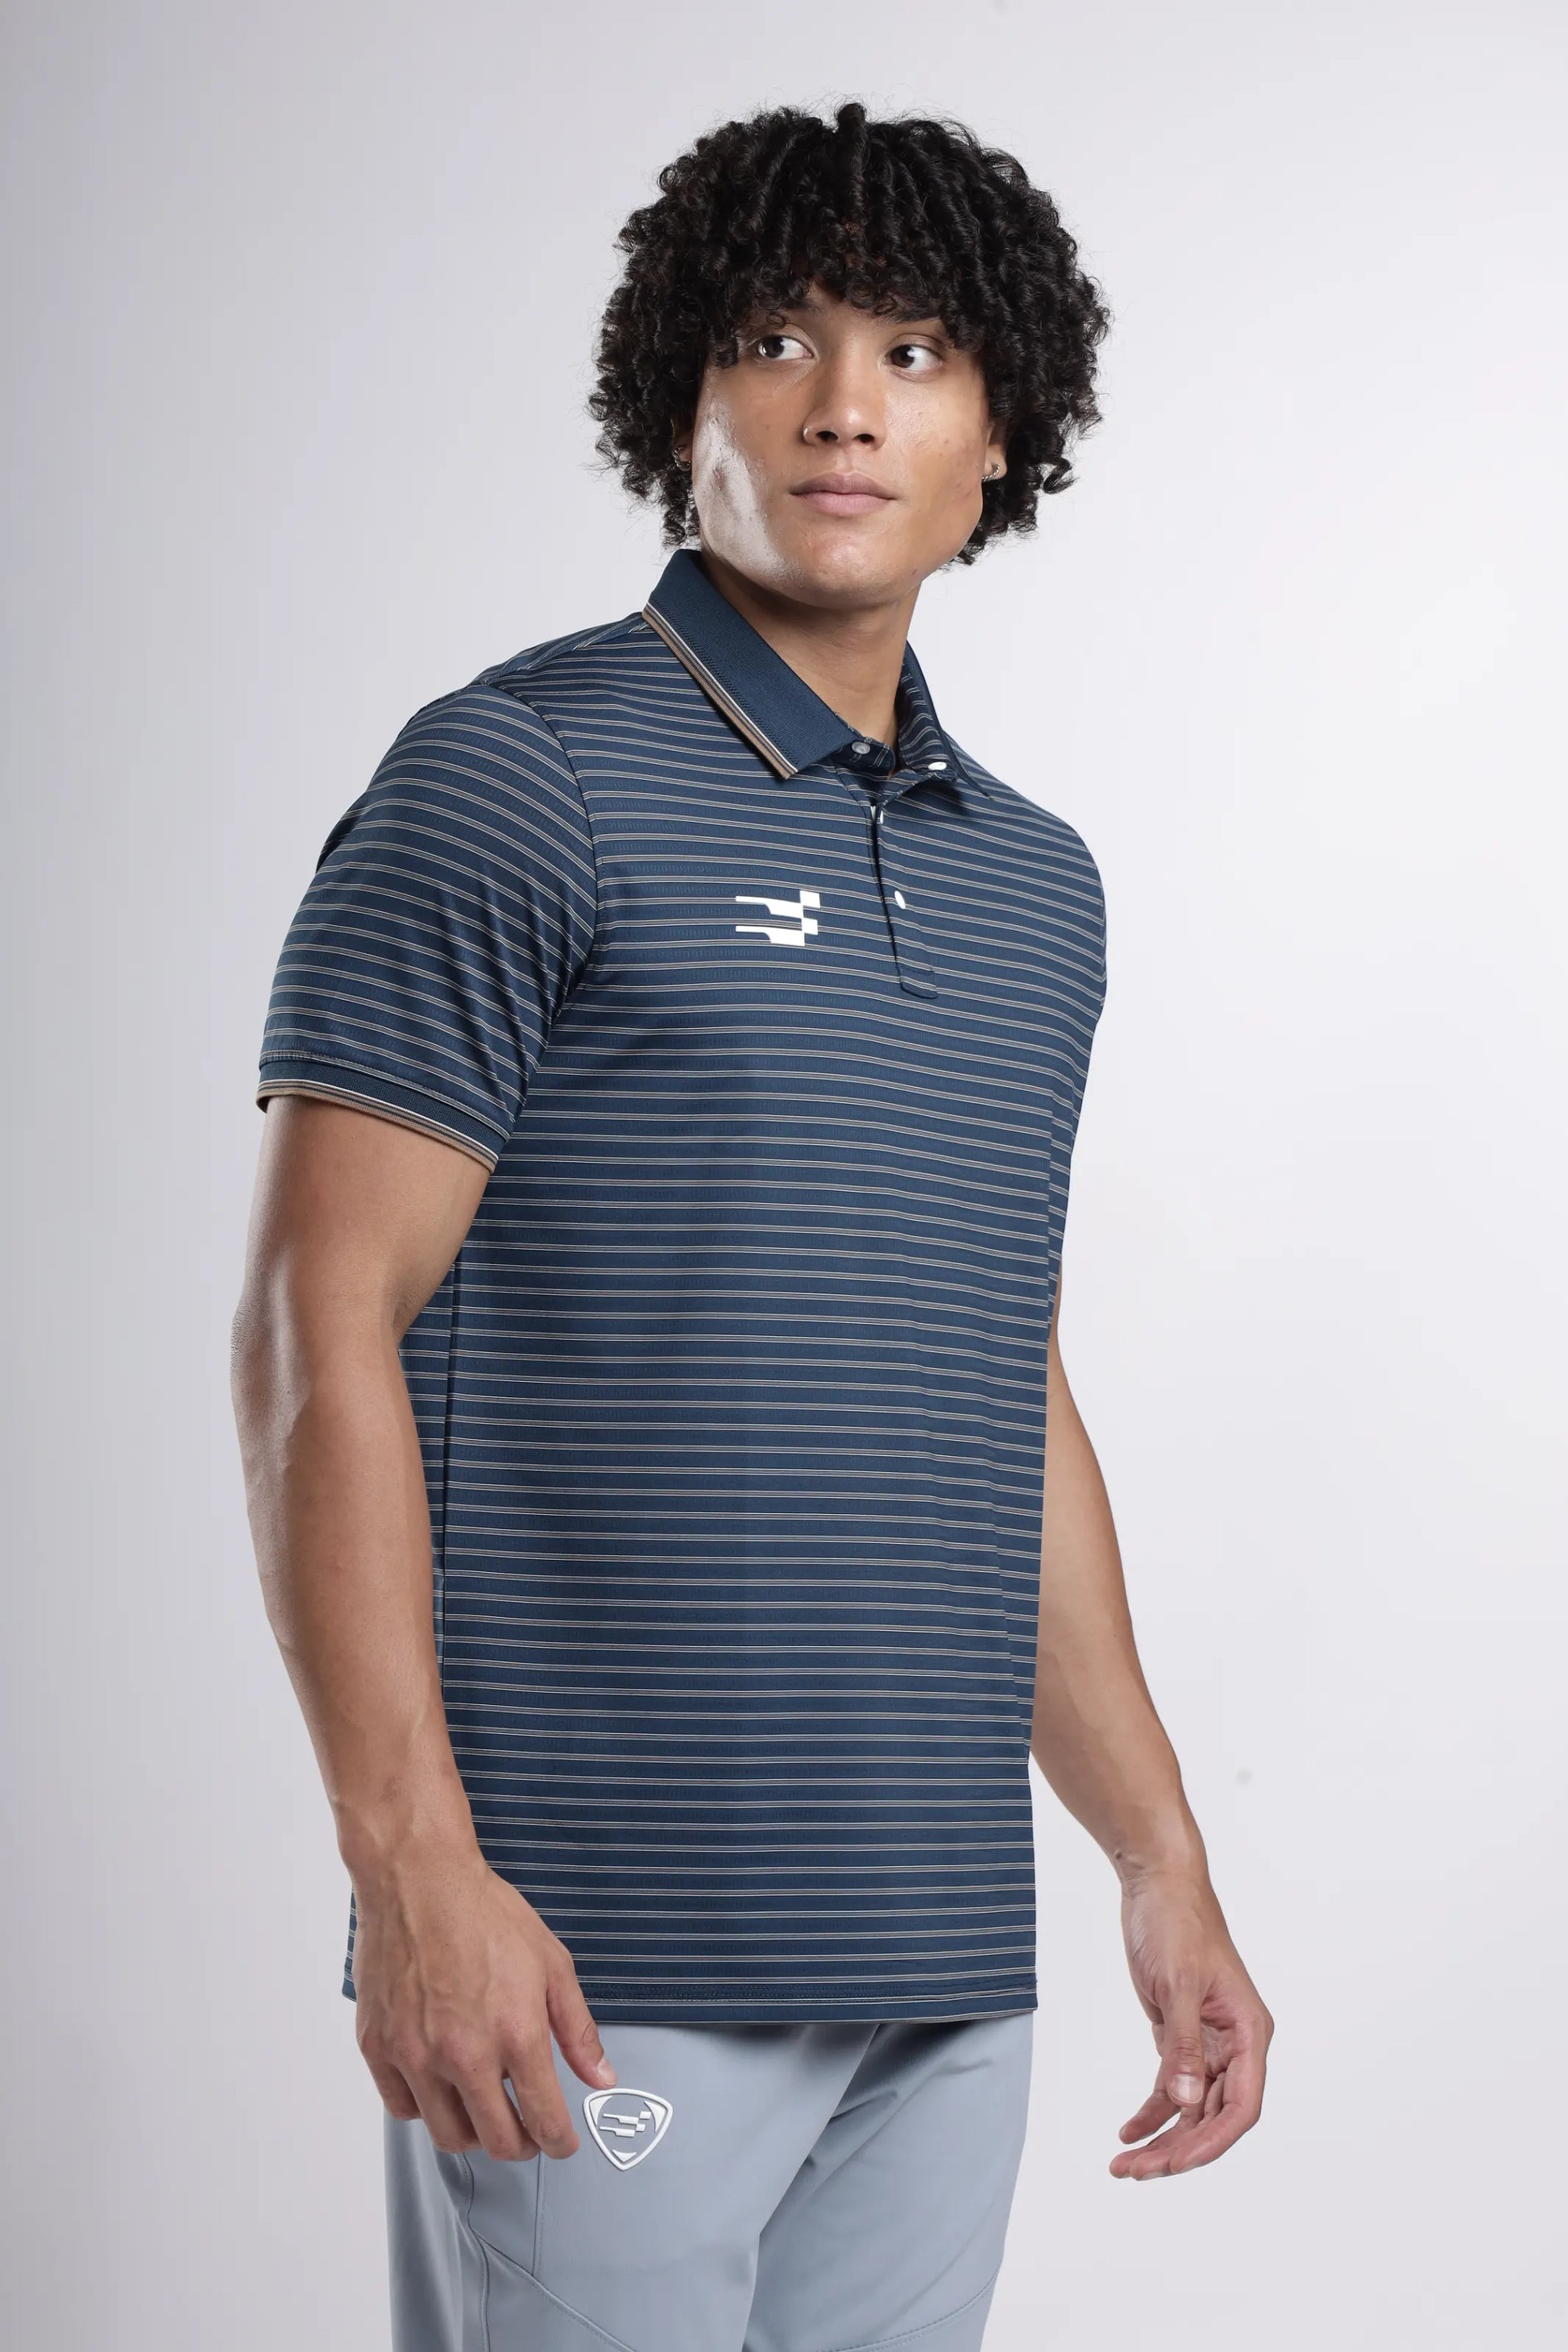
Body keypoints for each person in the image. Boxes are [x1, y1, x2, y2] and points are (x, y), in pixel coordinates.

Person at [232, 97, 1272, 2352]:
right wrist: (408, 1865)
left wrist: (1157, 1858)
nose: (840, 407)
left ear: (1002, 432)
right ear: (674, 403)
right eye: (777, 340)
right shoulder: (514, 775)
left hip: (941, 1963)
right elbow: (320, 1322)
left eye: (915, 352)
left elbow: (998, 1393)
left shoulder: (1039, 889)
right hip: (593, 1957)